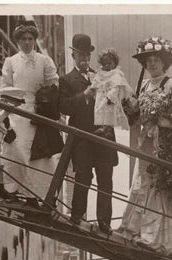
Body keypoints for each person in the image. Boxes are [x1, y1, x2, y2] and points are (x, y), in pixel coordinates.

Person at [117, 37, 172, 259]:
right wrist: (132, 110)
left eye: (156, 60)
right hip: (147, 143)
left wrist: (162, 121)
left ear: (164, 63)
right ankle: (141, 233)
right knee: (145, 183)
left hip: (166, 143)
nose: (152, 65)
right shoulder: (145, 85)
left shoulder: (171, 85)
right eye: (148, 61)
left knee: (165, 186)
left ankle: (168, 242)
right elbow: (138, 115)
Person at [58, 34, 118, 235]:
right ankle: (77, 216)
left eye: (87, 55)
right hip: (82, 138)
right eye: (80, 54)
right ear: (73, 54)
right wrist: (84, 96)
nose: (84, 58)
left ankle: (104, 222)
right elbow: (63, 107)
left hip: (103, 138)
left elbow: (114, 103)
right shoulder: (66, 80)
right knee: (83, 177)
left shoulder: (101, 76)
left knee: (106, 180)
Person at [0, 20, 59, 196]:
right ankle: (13, 188)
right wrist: (8, 109)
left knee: (39, 156)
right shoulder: (10, 62)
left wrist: (45, 98)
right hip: (17, 111)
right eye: (24, 39)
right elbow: (4, 87)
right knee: (17, 149)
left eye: (30, 38)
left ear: (34, 40)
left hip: (39, 111)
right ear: (18, 41)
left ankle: (36, 194)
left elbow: (53, 83)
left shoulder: (44, 60)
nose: (27, 42)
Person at [90, 48, 134, 139]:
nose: (107, 66)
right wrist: (94, 87)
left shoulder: (116, 73)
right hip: (101, 96)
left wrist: (111, 96)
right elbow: (96, 82)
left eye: (109, 63)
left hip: (110, 98)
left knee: (109, 113)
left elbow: (116, 86)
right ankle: (102, 126)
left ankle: (108, 128)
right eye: (104, 64)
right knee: (99, 111)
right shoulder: (101, 73)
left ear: (115, 63)